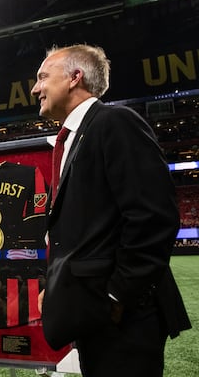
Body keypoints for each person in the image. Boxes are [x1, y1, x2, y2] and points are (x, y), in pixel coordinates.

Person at [31, 44, 191, 376]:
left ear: (75, 78)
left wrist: (116, 297)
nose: (36, 89)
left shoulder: (114, 122)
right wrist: (56, 286)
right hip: (97, 314)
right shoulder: (77, 137)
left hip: (125, 318)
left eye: (43, 77)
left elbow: (154, 217)